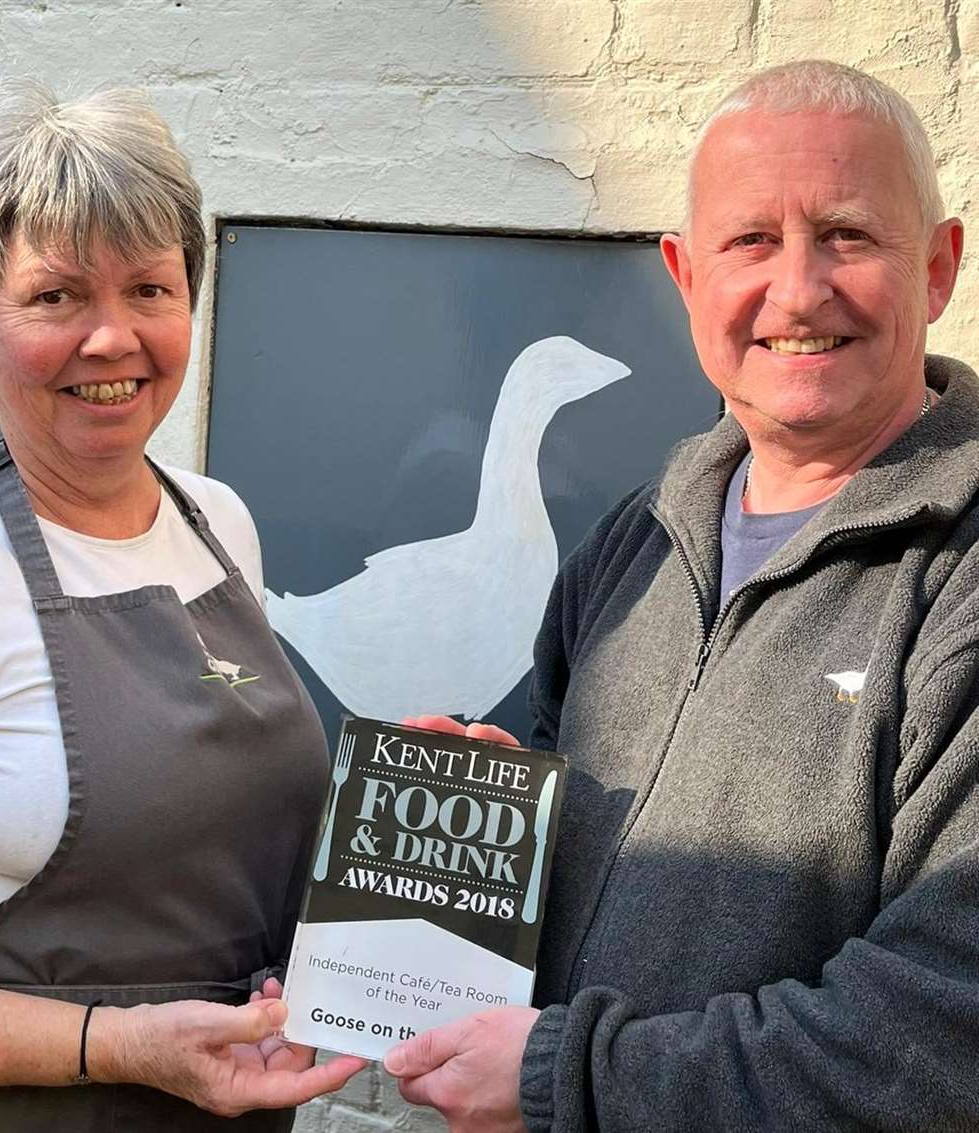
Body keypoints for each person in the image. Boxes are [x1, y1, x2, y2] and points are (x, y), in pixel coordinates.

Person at [387, 59, 979, 1130]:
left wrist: (569, 1077)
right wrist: (497, 822)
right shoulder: (640, 536)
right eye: (751, 240)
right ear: (686, 275)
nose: (797, 291)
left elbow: (943, 1029)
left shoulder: (963, 575)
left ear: (937, 267)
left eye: (847, 233)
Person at [0, 81, 365, 1128]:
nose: (112, 339)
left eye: (149, 289)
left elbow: (213, 839)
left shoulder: (217, 521)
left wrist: (396, 803)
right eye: (57, 297)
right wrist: (113, 1044)